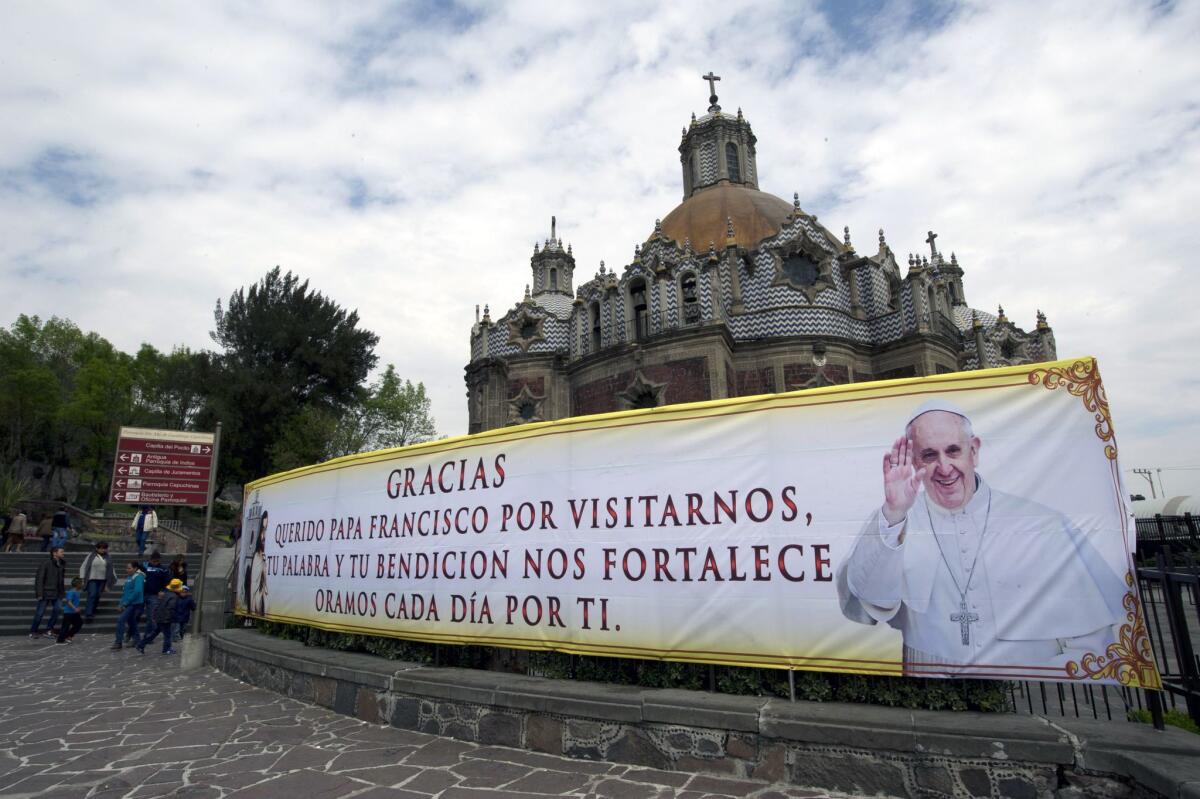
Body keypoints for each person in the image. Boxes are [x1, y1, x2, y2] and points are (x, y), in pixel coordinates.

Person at [837, 398, 1128, 673]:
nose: (944, 467)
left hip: (1025, 681)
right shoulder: (896, 520)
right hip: (930, 682)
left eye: (953, 451)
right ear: (914, 462)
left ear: (973, 450)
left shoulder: (1043, 523)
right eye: (929, 455)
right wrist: (894, 513)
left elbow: (1092, 639)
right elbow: (868, 602)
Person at [137, 578, 181, 655]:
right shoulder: (174, 596)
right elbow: (170, 608)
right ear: (176, 588)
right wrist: (169, 618)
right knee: (168, 635)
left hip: (159, 617)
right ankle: (166, 649)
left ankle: (141, 644)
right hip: (165, 618)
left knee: (155, 633)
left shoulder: (165, 593)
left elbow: (159, 605)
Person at [30, 546, 67, 638]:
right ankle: (33, 631)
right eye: (61, 552)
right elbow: (39, 579)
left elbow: (61, 580)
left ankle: (49, 630)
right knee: (40, 613)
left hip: (57, 592)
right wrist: (39, 593)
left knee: (57, 609)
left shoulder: (62, 563)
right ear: (54, 553)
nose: (63, 553)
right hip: (46, 592)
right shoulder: (46, 563)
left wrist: (62, 592)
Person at [79, 541, 117, 621]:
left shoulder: (108, 557)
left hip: (102, 580)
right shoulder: (91, 556)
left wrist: (112, 581)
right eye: (102, 548)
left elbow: (111, 569)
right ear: (97, 548)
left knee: (97, 596)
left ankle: (93, 609)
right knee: (92, 594)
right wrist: (82, 578)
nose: (103, 550)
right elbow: (83, 566)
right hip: (92, 579)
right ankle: (88, 613)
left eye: (105, 548)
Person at [112, 561, 145, 650]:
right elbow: (125, 592)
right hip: (129, 603)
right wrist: (121, 603)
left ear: (135, 568)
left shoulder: (139, 577)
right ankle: (137, 641)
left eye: (129, 568)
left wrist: (125, 603)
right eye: (127, 568)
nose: (127, 570)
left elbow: (137, 591)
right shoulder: (129, 577)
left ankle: (118, 642)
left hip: (134, 604)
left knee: (121, 620)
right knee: (132, 623)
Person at [141, 551, 171, 637]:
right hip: (142, 593)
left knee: (151, 616)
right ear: (150, 560)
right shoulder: (144, 567)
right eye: (153, 561)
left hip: (155, 595)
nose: (155, 563)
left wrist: (163, 591)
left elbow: (167, 582)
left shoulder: (163, 569)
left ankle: (149, 635)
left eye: (157, 561)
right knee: (136, 615)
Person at [56, 578, 85, 644]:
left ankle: (68, 635)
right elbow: (69, 602)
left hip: (74, 613)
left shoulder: (77, 592)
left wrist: (76, 608)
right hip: (68, 613)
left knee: (79, 623)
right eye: (81, 583)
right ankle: (60, 640)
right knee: (65, 627)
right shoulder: (71, 592)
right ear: (77, 584)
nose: (82, 585)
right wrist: (75, 608)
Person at [250, 516, 268, 616]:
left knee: (264, 592)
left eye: (267, 528)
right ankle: (254, 613)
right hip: (259, 557)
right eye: (263, 528)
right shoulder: (257, 557)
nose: (264, 535)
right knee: (256, 589)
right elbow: (254, 587)